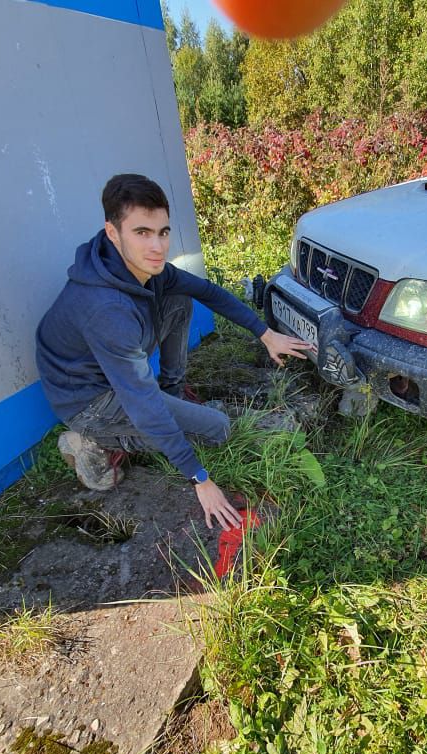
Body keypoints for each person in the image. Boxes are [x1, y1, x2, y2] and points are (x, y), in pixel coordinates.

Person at [35, 174, 312, 530]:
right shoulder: (106, 310)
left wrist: (265, 333)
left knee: (180, 298)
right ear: (112, 231)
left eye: (163, 231)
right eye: (142, 233)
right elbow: (142, 400)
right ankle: (88, 442)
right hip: (89, 401)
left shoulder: (142, 268)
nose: (158, 246)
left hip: (114, 374)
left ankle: (174, 392)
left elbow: (209, 292)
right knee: (218, 429)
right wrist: (200, 478)